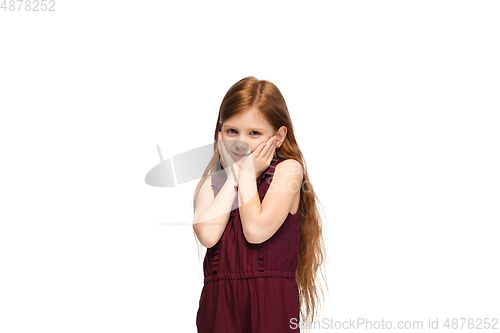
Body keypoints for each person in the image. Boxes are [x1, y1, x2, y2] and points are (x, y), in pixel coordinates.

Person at [192, 76, 327, 333]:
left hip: (270, 304)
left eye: (254, 133)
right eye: (232, 131)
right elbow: (208, 235)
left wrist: (245, 175)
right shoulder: (213, 182)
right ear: (220, 133)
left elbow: (255, 231)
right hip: (220, 306)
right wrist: (234, 174)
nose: (242, 143)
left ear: (278, 136)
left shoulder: (288, 172)